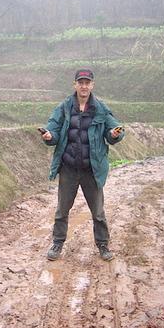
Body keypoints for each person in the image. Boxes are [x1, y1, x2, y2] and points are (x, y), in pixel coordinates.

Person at [41, 69, 124, 261]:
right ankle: (57, 243)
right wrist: (49, 136)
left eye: (87, 82)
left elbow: (114, 129)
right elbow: (52, 129)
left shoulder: (100, 109)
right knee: (62, 209)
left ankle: (103, 245)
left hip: (91, 169)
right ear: (75, 85)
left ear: (92, 85)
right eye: (81, 82)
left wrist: (115, 134)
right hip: (69, 168)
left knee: (98, 212)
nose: (84, 86)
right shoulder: (64, 107)